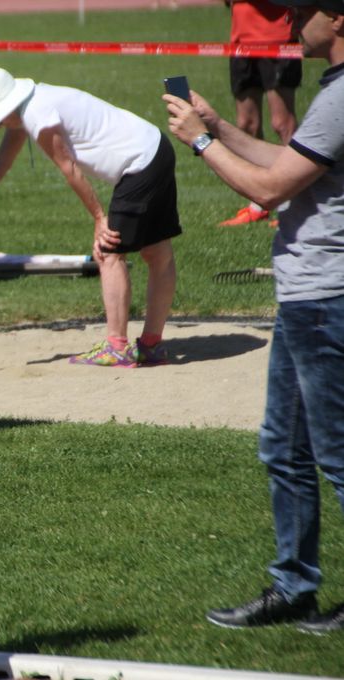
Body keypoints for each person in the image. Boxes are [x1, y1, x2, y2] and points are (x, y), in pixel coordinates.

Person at [166, 0, 344, 634]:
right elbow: (286, 163)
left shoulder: (341, 97)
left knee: (336, 458)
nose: (293, 20)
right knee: (284, 449)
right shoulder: (331, 95)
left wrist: (202, 141)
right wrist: (218, 124)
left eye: (306, 9)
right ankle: (294, 586)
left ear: (341, 20)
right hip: (307, 299)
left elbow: (268, 190)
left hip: (326, 301)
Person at [0, 68, 181, 368]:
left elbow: (69, 168)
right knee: (156, 251)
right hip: (156, 148)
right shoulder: (30, 107)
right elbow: (1, 161)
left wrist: (100, 218)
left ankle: (117, 347)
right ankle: (151, 345)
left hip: (139, 163)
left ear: (6, 107)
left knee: (108, 251)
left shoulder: (37, 115)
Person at [220, 0, 302, 226]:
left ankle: (296, 203)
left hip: (277, 39)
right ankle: (258, 206)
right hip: (241, 40)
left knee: (282, 123)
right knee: (246, 124)